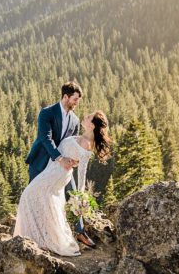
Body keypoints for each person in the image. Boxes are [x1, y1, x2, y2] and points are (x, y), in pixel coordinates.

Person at [14, 110, 112, 257]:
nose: (85, 117)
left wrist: (80, 195)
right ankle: (40, 236)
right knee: (47, 204)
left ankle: (40, 237)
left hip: (57, 175)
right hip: (51, 170)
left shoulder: (87, 145)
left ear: (92, 126)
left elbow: (82, 172)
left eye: (89, 117)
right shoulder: (82, 137)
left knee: (28, 194)